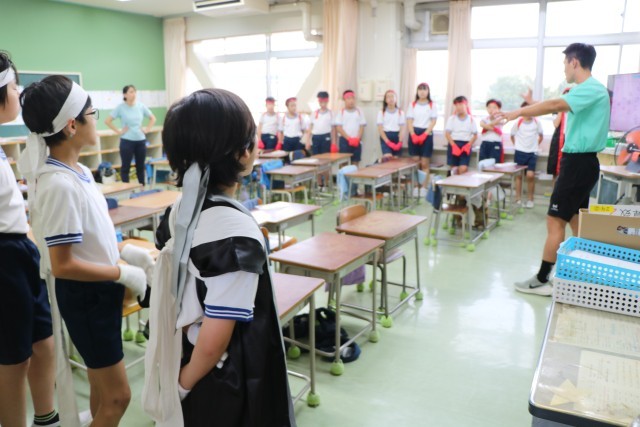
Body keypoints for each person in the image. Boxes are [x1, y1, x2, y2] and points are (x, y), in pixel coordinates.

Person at [152, 88, 296, 426]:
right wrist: (182, 386)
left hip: (189, 356)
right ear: (241, 153)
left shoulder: (182, 209)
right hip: (227, 379)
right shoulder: (234, 234)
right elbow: (214, 341)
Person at [20, 76, 149, 426]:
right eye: (92, 113)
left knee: (101, 391)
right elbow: (63, 264)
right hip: (86, 297)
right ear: (72, 125)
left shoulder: (79, 172)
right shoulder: (59, 184)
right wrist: (123, 272)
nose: (97, 119)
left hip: (99, 291)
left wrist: (125, 251)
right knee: (118, 397)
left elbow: (92, 237)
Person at [498, 43, 610, 296]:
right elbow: (554, 103)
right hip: (581, 163)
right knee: (575, 219)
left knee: (555, 219)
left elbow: (554, 105)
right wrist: (532, 104)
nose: (564, 69)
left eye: (564, 64)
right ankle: (582, 272)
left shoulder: (591, 88)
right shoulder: (586, 90)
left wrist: (517, 112)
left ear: (574, 62)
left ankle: (542, 279)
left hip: (578, 163)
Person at [0, 52, 59, 427]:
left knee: (43, 342)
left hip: (20, 249)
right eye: (13, 86)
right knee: (13, 357)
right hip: (5, 257)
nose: (18, 92)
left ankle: (46, 417)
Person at [105, 84, 156, 184]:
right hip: (126, 141)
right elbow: (107, 121)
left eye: (134, 92)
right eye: (131, 92)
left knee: (140, 166)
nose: (134, 94)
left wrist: (147, 129)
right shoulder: (121, 107)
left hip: (140, 141)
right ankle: (127, 188)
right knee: (125, 167)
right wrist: (119, 131)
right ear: (125, 95)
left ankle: (142, 187)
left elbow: (153, 118)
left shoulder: (141, 106)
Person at [510, 102, 544, 209]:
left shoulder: (537, 122)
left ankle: (530, 199)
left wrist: (535, 146)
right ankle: (518, 199)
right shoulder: (518, 122)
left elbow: (541, 136)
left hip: (532, 153)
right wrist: (517, 145)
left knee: (530, 175)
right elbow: (512, 136)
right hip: (519, 152)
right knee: (519, 176)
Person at [406, 82, 437, 196]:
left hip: (427, 134)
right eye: (420, 89)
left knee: (424, 163)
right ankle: (415, 186)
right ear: (417, 91)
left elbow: (433, 121)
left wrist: (425, 134)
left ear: (428, 91)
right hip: (414, 132)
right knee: (415, 163)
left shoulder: (432, 105)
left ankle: (424, 187)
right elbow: (409, 120)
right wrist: (413, 134)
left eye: (424, 89)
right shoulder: (412, 104)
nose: (422, 92)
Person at [444, 96, 477, 175]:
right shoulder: (452, 119)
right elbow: (447, 134)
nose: (459, 107)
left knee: (463, 168)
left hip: (466, 145)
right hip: (454, 143)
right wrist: (453, 146)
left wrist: (468, 145)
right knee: (454, 169)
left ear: (466, 105)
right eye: (457, 105)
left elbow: (475, 135)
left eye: (461, 104)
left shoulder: (471, 119)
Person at [547, 88, 572, 187]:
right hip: (558, 140)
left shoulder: (574, 110)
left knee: (568, 170)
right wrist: (561, 110)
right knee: (555, 170)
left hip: (570, 140)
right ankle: (555, 193)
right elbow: (556, 124)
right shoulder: (557, 110)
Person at [335, 89, 366, 167]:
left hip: (356, 140)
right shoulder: (341, 112)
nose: (351, 101)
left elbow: (362, 126)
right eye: (348, 98)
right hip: (345, 141)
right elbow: (338, 128)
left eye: (352, 98)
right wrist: (349, 139)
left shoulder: (359, 111)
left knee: (355, 162)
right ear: (344, 100)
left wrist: (357, 138)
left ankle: (355, 175)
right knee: (343, 163)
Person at [377, 89, 406, 158]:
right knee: (388, 158)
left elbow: (402, 129)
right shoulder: (381, 112)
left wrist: (400, 142)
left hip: (397, 136)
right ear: (385, 100)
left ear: (396, 99)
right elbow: (380, 129)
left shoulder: (400, 112)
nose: (391, 99)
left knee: (396, 159)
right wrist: (388, 142)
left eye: (392, 96)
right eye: (388, 97)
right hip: (386, 136)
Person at [479, 99, 504, 164]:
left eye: (494, 107)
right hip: (484, 143)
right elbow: (481, 124)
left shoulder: (501, 118)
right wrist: (493, 129)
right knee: (482, 162)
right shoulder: (485, 118)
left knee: (494, 164)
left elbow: (492, 123)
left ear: (499, 109)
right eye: (489, 107)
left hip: (495, 143)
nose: (491, 109)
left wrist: (486, 126)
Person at [310, 91, 335, 155]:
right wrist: (308, 141)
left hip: (326, 136)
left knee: (326, 156)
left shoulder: (331, 113)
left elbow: (333, 129)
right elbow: (310, 128)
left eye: (324, 102)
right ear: (319, 102)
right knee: (315, 156)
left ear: (327, 101)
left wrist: (333, 143)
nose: (323, 104)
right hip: (316, 137)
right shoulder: (314, 113)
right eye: (321, 102)